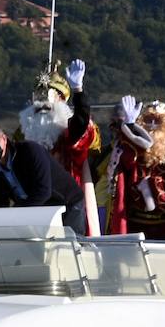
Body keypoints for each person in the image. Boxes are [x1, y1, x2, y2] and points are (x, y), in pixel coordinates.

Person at [100, 98, 165, 241]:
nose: (152, 125)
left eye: (157, 121)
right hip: (135, 223)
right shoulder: (131, 147)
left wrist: (153, 186)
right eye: (148, 120)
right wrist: (130, 130)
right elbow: (125, 168)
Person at [17, 59, 102, 234]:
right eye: (38, 100)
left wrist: (78, 91)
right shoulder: (24, 134)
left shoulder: (67, 134)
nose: (42, 106)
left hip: (68, 203)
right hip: (36, 204)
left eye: (48, 99)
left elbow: (80, 121)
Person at [0, 122, 87, 236]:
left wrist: (18, 212)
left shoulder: (29, 151)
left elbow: (43, 191)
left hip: (67, 202)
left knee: (73, 241)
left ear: (4, 139)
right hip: (39, 209)